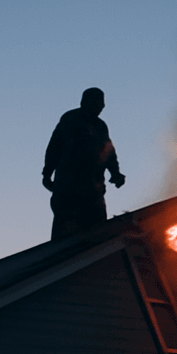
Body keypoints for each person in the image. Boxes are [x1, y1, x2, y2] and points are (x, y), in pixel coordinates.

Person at [42, 87, 125, 240]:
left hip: (93, 192)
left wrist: (116, 173)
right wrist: (47, 173)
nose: (99, 107)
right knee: (64, 238)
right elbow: (55, 146)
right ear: (84, 102)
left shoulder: (101, 127)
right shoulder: (70, 119)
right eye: (95, 103)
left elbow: (109, 153)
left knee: (98, 235)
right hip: (68, 190)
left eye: (101, 104)